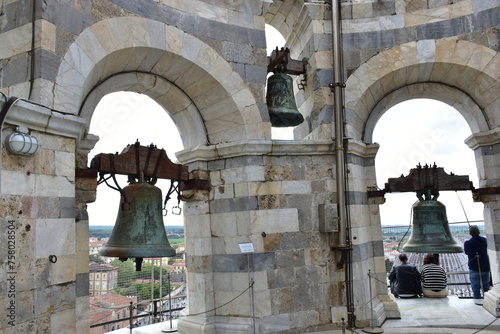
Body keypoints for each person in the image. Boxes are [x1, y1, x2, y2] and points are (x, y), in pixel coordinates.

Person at [464, 225, 490, 305]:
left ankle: (477, 302)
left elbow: (466, 252)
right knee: (486, 288)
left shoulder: (468, 243)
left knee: (476, 288)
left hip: (474, 268)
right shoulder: (485, 241)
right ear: (478, 232)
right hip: (485, 267)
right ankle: (488, 303)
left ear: (470, 233)